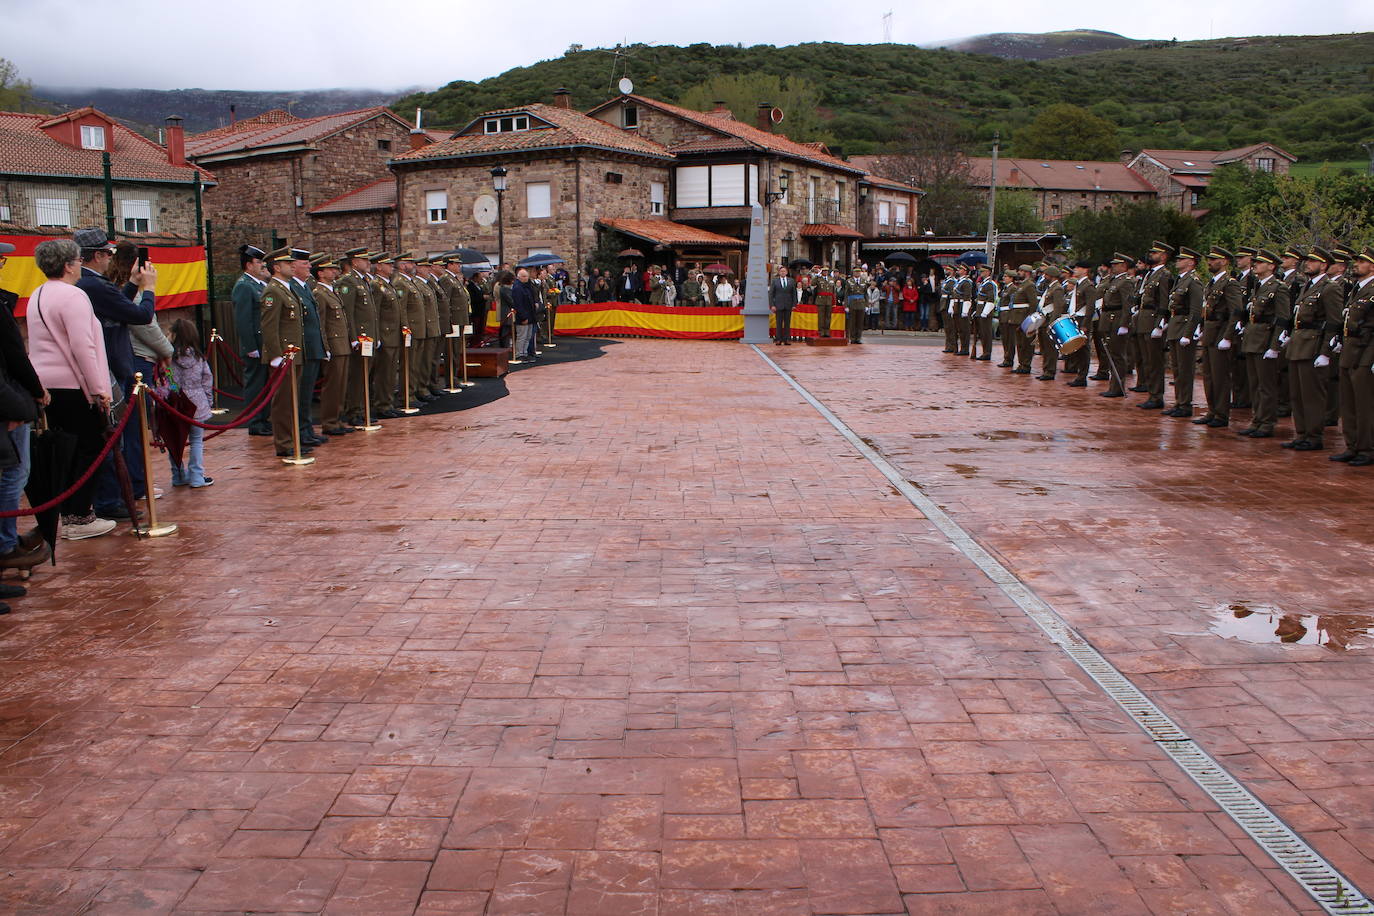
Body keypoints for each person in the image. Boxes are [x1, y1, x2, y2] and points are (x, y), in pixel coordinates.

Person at [26, 239, 115, 540]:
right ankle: (79, 515)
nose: (80, 266)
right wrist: (99, 388)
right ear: (67, 265)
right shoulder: (73, 296)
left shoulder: (37, 294)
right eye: (77, 261)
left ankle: (71, 513)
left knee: (68, 451)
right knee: (89, 448)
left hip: (47, 384)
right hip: (74, 384)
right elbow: (82, 346)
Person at [74, 228, 158, 520]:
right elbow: (139, 316)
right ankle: (110, 501)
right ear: (97, 256)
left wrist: (133, 286)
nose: (111, 259)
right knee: (114, 438)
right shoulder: (94, 285)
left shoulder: (92, 284)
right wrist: (148, 289)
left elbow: (117, 308)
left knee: (116, 437)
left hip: (114, 362)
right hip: (114, 365)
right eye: (108, 254)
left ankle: (114, 497)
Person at [0, 241, 49, 584]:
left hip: (11, 397)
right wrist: (29, 397)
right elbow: (13, 357)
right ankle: (5, 547)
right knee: (13, 474)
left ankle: (7, 542)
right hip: (8, 402)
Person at [1283, 247, 1343, 452]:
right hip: (1298, 344)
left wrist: (1326, 352)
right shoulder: (1307, 285)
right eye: (1307, 260)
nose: (1307, 263)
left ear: (1323, 265)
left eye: (1312, 261)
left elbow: (1334, 322)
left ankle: (1314, 435)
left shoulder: (1329, 288)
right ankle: (1301, 433)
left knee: (1312, 395)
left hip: (1313, 346)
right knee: (1297, 394)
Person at [258, 248, 308, 458]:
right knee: (283, 401)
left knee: (291, 399)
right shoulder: (273, 291)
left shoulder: (287, 288)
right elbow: (269, 326)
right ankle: (284, 442)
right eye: (288, 264)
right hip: (284, 356)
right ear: (277, 268)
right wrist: (276, 355)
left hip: (293, 354)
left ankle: (292, 439)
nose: (292, 266)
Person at [1237, 249, 1290, 440]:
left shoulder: (1278, 287)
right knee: (1255, 384)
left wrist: (1274, 346)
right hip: (1253, 339)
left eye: (1260, 263)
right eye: (1256, 262)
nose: (1256, 265)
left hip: (1265, 341)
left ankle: (1267, 422)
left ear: (1271, 266)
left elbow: (1283, 319)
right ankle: (1257, 419)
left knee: (1266, 385)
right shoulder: (1258, 286)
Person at [1332, 247, 1374, 465]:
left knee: (1364, 404)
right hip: (1350, 350)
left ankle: (1367, 448)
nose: (1356, 264)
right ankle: (1352, 445)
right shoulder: (1356, 289)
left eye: (1362, 261)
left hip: (1366, 354)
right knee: (1348, 402)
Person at [1194, 247, 1244, 429]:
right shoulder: (1212, 283)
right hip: (1210, 333)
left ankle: (1221, 414)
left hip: (1220, 333)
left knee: (1220, 376)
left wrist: (1228, 336)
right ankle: (1212, 410)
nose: (1209, 262)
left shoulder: (1230, 283)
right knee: (1208, 375)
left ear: (1224, 261)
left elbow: (1235, 311)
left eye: (1214, 259)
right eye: (1209, 259)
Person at [164, 318, 214, 488]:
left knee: (175, 442)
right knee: (196, 441)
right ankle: (197, 477)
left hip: (176, 403)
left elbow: (168, 380)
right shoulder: (199, 358)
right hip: (197, 402)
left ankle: (178, 475)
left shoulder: (169, 359)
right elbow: (207, 379)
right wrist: (209, 401)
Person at [310, 257, 353, 436]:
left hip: (342, 343)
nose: (334, 271)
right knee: (332, 386)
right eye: (329, 269)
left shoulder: (332, 290)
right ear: (320, 273)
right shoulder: (320, 293)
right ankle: (329, 421)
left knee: (341, 385)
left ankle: (337, 418)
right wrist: (325, 347)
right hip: (333, 345)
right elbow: (321, 323)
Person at [287, 248, 326, 445]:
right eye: (305, 263)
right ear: (294, 267)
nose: (310, 266)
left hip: (312, 347)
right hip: (303, 348)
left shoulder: (304, 286)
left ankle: (307, 428)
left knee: (307, 392)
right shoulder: (292, 287)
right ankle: (300, 431)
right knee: (301, 393)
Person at [232, 245, 271, 437]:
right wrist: (250, 346)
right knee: (256, 384)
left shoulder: (260, 284)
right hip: (255, 344)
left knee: (265, 383)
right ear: (248, 265)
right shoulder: (244, 286)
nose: (262, 265)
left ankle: (265, 419)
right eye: (258, 262)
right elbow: (244, 319)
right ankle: (256, 422)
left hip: (265, 343)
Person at [336, 248, 377, 427]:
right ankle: (354, 411)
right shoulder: (348, 282)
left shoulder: (364, 281)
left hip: (369, 337)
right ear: (354, 262)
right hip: (360, 337)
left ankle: (362, 409)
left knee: (365, 376)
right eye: (364, 259)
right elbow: (349, 313)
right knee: (358, 377)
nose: (368, 262)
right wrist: (354, 337)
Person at [1162, 247, 1204, 418]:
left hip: (1184, 327)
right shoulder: (1181, 280)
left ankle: (1185, 404)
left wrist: (1188, 333)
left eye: (1181, 259)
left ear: (1191, 262)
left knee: (1185, 369)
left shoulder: (1193, 281)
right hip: (1175, 325)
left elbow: (1195, 311)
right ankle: (1179, 402)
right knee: (1177, 369)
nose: (1177, 261)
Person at [1133, 241, 1174, 410]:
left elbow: (1164, 301)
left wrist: (1160, 324)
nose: (1151, 255)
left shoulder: (1164, 275)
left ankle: (1157, 396)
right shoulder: (1150, 274)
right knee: (1147, 360)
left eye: (1155, 253)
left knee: (1154, 361)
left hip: (1152, 321)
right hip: (1144, 320)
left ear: (1163, 256)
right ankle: (1152, 393)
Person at [1035, 265, 1066, 380]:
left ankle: (1050, 371)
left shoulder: (1057, 288)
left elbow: (1058, 307)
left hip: (1049, 322)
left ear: (1052, 276)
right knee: (1044, 348)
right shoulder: (1050, 287)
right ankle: (1046, 369)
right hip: (1043, 321)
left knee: (1050, 349)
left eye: (1046, 274)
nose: (1044, 276)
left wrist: (1052, 324)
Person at [511, 268, 537, 362]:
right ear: (519, 277)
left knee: (528, 336)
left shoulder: (527, 286)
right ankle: (519, 354)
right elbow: (518, 304)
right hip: (523, 316)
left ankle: (525, 353)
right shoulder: (517, 288)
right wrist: (523, 317)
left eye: (527, 276)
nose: (527, 278)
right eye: (524, 276)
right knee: (522, 336)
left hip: (530, 315)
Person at [768, 267, 794, 345]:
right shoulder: (775, 281)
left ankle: (787, 339)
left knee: (787, 323)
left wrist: (794, 304)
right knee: (778, 323)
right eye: (781, 271)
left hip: (788, 305)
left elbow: (794, 293)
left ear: (786, 272)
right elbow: (771, 294)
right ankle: (778, 339)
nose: (783, 272)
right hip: (778, 305)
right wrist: (772, 305)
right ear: (779, 272)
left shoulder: (791, 281)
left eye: (784, 271)